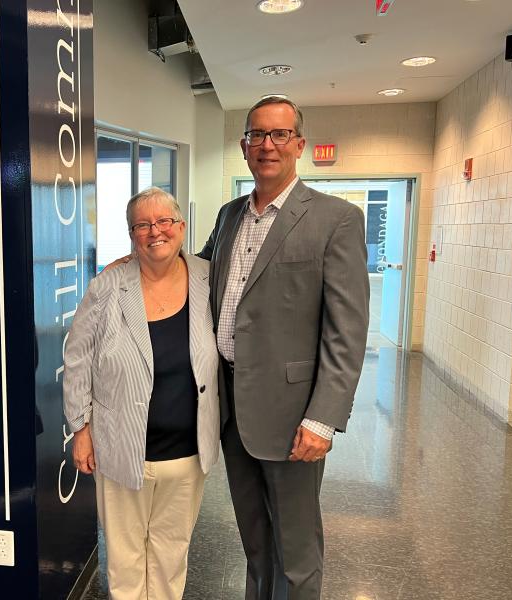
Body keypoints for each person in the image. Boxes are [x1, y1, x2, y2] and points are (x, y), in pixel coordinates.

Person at [198, 97, 369, 599]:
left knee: (296, 549)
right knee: (254, 539)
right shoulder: (231, 215)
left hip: (294, 415)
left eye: (279, 135)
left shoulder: (336, 219)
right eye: (257, 135)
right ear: (244, 146)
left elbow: (347, 329)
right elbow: (200, 275)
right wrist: (139, 258)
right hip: (232, 407)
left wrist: (323, 417)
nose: (267, 145)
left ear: (299, 144)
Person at [63, 187, 220, 600]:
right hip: (121, 448)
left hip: (188, 452)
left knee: (172, 553)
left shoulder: (208, 278)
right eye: (143, 225)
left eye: (164, 221)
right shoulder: (107, 286)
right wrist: (80, 428)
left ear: (181, 227)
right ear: (132, 234)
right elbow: (77, 358)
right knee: (126, 557)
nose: (156, 232)